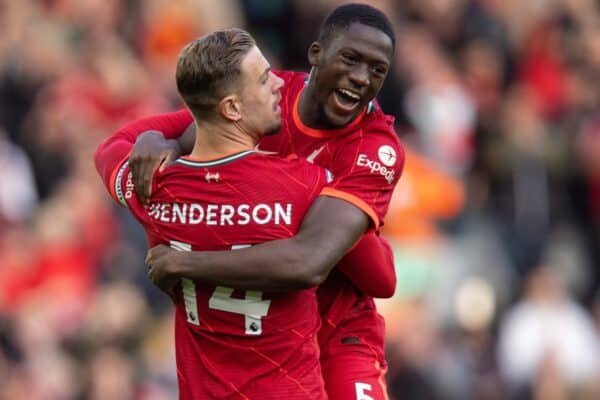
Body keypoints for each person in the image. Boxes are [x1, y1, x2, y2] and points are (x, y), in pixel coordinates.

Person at [117, 4, 403, 399]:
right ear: (316, 53)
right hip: (266, 335)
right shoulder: (268, 96)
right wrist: (153, 140)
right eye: (351, 59)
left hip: (339, 335)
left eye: (377, 70)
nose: (360, 78)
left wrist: (186, 264)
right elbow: (191, 122)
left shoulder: (376, 149)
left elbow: (312, 262)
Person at [94, 29, 335, 399]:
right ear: (232, 108)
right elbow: (380, 275)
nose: (279, 86)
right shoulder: (305, 184)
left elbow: (109, 148)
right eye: (263, 78)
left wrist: (163, 133)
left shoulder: (155, 189)